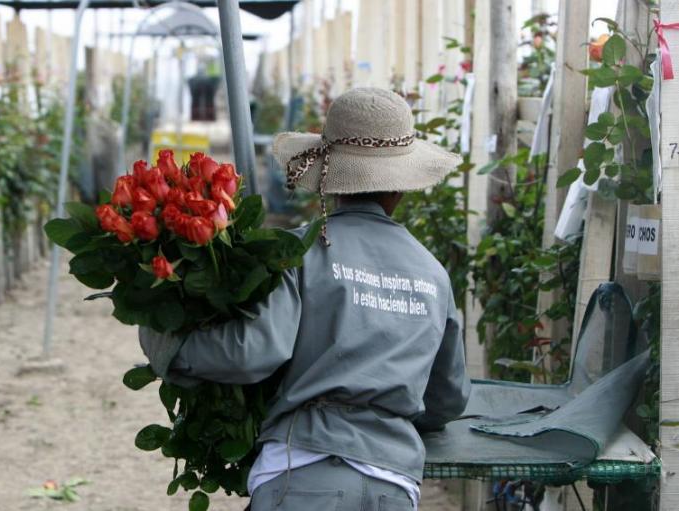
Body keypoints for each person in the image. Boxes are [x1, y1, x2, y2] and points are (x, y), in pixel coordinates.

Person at [140, 87, 471, 511]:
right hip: (393, 482)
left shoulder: (298, 252)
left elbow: (252, 353)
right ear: (402, 188)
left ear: (328, 182)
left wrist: (168, 346)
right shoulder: (432, 273)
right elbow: (447, 397)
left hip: (303, 470)